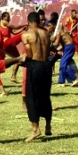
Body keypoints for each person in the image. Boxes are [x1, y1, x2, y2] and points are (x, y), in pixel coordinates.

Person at [21, 12, 53, 142]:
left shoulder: (26, 35)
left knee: (32, 97)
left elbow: (29, 55)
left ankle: (35, 129)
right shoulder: (46, 33)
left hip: (35, 65)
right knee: (45, 95)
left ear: (28, 22)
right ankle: (48, 125)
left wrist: (22, 60)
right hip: (46, 65)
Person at [53, 11, 78, 87]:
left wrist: (51, 41)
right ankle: (61, 82)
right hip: (67, 47)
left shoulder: (59, 32)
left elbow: (56, 43)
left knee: (63, 65)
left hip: (69, 47)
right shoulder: (60, 31)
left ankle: (74, 78)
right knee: (63, 63)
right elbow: (60, 45)